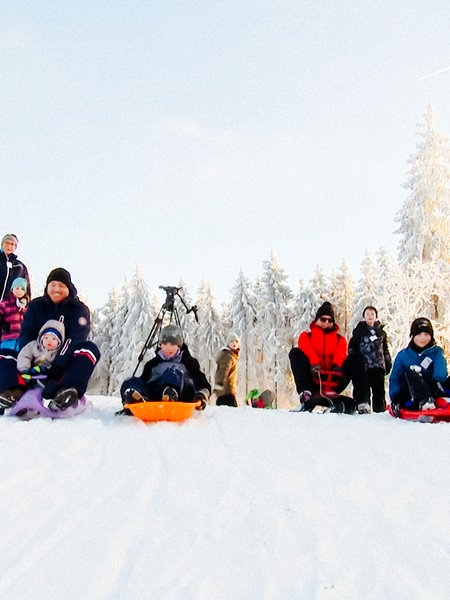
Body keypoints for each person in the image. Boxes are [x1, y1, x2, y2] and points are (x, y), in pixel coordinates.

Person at [0, 268, 100, 411]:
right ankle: (13, 391)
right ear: (47, 287)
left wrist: (57, 368)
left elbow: (75, 338)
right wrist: (27, 362)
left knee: (89, 349)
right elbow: (26, 334)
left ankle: (65, 391)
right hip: (34, 363)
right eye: (52, 285)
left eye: (61, 286)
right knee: (5, 353)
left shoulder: (78, 309)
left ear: (69, 288)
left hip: (63, 367)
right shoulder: (36, 306)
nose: (56, 289)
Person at [289, 301, 366, 413]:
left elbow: (340, 353)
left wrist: (336, 365)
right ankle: (306, 394)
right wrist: (314, 362)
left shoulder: (340, 339)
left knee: (357, 357)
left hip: (334, 380)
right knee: (295, 353)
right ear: (317, 320)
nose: (326, 323)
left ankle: (361, 402)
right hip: (314, 380)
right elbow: (305, 347)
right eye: (323, 319)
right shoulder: (307, 336)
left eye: (330, 320)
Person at [119, 324, 210, 413]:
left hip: (182, 395)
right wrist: (136, 387)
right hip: (155, 396)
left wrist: (201, 396)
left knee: (173, 372)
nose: (168, 348)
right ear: (160, 345)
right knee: (131, 382)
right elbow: (143, 382)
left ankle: (170, 395)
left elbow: (203, 384)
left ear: (179, 346)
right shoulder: (152, 364)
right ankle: (136, 401)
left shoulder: (188, 362)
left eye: (172, 344)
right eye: (165, 344)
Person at [389, 317, 448, 416]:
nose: (423, 338)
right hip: (410, 392)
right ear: (413, 336)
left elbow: (440, 373)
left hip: (434, 389)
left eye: (426, 334)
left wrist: (432, 379)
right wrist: (396, 397)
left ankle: (440, 400)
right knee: (412, 370)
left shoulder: (436, 352)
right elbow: (395, 378)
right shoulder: (403, 355)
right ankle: (424, 401)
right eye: (419, 334)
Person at [348, 306, 392, 413]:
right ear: (364, 316)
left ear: (376, 316)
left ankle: (380, 411)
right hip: (364, 367)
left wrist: (387, 361)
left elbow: (385, 349)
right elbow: (352, 347)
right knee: (363, 389)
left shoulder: (381, 333)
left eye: (372, 314)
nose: (370, 316)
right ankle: (363, 407)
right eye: (367, 314)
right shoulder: (359, 331)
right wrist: (354, 362)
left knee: (379, 390)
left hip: (378, 366)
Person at [17, 319, 65, 384]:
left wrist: (47, 369)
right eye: (46, 338)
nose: (49, 341)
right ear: (41, 338)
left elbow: (59, 365)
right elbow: (24, 355)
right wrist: (24, 369)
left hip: (46, 374)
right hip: (30, 370)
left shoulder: (59, 352)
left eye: (54, 339)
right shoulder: (34, 346)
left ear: (59, 342)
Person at [0, 277, 29, 351]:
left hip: (22, 339)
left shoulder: (26, 306)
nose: (19, 291)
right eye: (17, 288)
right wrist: (4, 324)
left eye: (22, 289)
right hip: (8, 337)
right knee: (6, 357)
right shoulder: (6, 303)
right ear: (12, 289)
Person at [0, 234, 30, 302]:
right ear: (2, 244)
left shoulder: (20, 267)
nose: (9, 246)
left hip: (10, 307)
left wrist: (26, 303)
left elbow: (26, 288)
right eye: (7, 243)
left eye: (12, 244)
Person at [213, 332, 240, 407]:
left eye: (236, 341)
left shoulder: (231, 355)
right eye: (231, 341)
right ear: (228, 343)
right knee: (233, 415)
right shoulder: (228, 356)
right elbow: (223, 371)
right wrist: (219, 385)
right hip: (227, 392)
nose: (234, 343)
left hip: (226, 391)